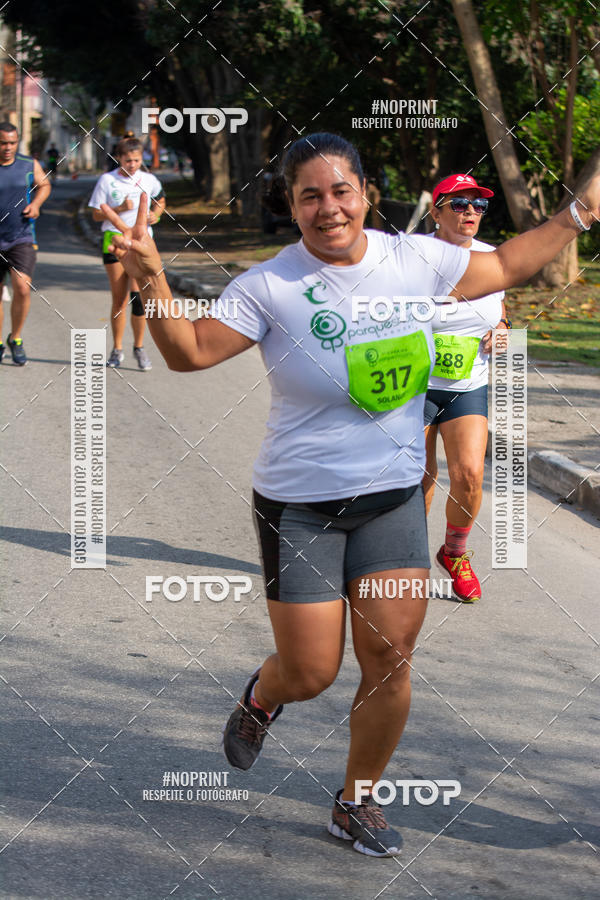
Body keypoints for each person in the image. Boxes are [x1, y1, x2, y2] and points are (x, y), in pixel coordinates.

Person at [99, 132, 599, 857]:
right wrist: (152, 280)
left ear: (365, 194)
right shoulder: (271, 285)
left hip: (392, 500)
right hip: (300, 506)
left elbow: (509, 264)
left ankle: (357, 799)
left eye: (341, 191)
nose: (328, 207)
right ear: (292, 205)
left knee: (390, 656)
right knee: (312, 671)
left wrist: (580, 213)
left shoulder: (417, 259)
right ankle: (264, 697)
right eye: (310, 196)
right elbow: (191, 352)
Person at [423, 174, 510, 602]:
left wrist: (503, 327)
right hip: (414, 384)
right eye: (459, 204)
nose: (471, 212)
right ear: (436, 212)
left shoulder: (492, 257)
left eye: (478, 205)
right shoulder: (413, 257)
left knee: (470, 474)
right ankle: (405, 559)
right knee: (417, 476)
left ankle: (454, 553)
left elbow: (500, 309)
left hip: (467, 383)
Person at [88, 136, 165, 369]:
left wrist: (156, 214)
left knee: (139, 299)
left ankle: (139, 348)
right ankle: (117, 348)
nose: (132, 165)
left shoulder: (149, 179)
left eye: (137, 160)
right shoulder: (107, 180)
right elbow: (96, 214)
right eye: (128, 160)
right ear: (119, 158)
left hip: (141, 242)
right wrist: (119, 208)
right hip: (115, 240)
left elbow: (161, 200)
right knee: (119, 298)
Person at [0, 122, 51, 365]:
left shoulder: (28, 164)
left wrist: (36, 204)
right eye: (3, 143)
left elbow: (44, 185)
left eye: (12, 142)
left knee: (22, 287)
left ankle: (16, 338)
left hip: (21, 236)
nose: (8, 147)